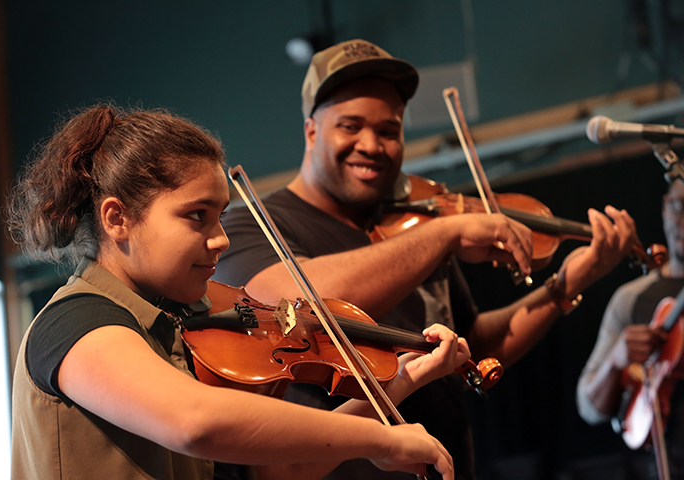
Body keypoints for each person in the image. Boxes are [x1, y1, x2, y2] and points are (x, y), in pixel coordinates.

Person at [213, 38, 639, 480]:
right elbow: (293, 303)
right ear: (312, 131)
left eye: (389, 130)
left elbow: (472, 344)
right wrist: (445, 233)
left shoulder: (410, 225)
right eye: (351, 125)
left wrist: (564, 285)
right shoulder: (254, 225)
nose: (372, 145)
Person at [6, 103, 474, 480]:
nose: (221, 239)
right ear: (117, 218)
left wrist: (401, 383)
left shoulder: (177, 330)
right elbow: (196, 422)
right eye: (196, 216)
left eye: (221, 215)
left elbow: (279, 469)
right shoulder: (77, 323)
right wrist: (385, 440)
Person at [577, 178, 684, 479]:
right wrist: (616, 359)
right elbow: (588, 406)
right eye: (679, 207)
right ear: (664, 207)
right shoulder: (632, 299)